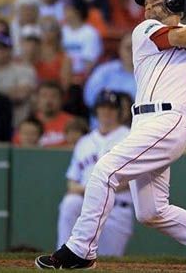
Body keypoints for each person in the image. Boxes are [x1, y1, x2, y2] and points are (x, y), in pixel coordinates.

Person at [35, 0, 186, 272]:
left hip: (169, 119)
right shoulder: (147, 30)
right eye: (146, 3)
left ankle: (80, 250)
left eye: (156, 1)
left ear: (175, 3)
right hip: (144, 122)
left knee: (105, 171)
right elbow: (178, 39)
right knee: (151, 211)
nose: (148, 7)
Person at [57, 90, 133, 257]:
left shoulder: (130, 137)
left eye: (111, 108)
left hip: (116, 207)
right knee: (70, 202)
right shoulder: (85, 141)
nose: (106, 112)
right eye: (102, 107)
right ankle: (61, 255)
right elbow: (72, 181)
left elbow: (131, 178)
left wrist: (94, 190)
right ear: (95, 110)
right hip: (84, 205)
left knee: (108, 262)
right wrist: (90, 191)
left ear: (120, 112)